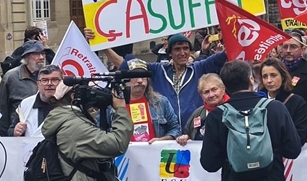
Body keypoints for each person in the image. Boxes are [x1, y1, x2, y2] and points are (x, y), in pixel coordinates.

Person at [85, 29, 227, 130]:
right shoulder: (158, 70)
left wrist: (232, 32)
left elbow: (223, 56)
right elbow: (125, 64)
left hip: (194, 131)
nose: (182, 53)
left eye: (186, 48)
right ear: (169, 53)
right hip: (166, 134)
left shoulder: (199, 67)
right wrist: (101, 44)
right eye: (177, 49)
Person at [124, 59, 181, 143]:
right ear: (125, 79)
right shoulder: (114, 105)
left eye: (143, 76)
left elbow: (175, 128)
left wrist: (160, 141)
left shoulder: (161, 102)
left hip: (154, 151)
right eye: (135, 76)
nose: (140, 80)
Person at [0, 39, 46, 135]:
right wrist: (6, 136)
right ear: (26, 57)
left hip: (45, 130)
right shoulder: (11, 77)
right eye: (36, 54)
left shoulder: (50, 76)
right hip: (20, 132)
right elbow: (3, 109)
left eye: (43, 54)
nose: (41, 57)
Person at [260, 57, 307, 143]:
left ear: (283, 76)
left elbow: (299, 136)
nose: (269, 80)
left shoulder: (297, 102)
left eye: (273, 75)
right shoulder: (258, 101)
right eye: (265, 76)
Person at [9, 64, 63, 137]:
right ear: (38, 84)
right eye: (44, 80)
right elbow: (10, 131)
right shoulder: (26, 104)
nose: (49, 84)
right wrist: (15, 131)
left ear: (62, 82)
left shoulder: (69, 105)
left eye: (54, 80)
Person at [176, 74, 228, 145]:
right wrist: (185, 137)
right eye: (206, 92)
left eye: (214, 89)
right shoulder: (198, 114)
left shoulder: (233, 110)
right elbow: (188, 133)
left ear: (223, 89)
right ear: (201, 96)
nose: (211, 95)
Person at [278, 31, 307, 106]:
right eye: (285, 47)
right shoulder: (277, 68)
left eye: (293, 47)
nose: (288, 51)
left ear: (303, 49)